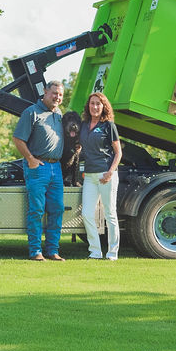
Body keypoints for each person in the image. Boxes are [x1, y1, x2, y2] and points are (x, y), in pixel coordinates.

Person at [12, 81, 66, 261]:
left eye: (60, 94)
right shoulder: (31, 112)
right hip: (38, 167)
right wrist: (30, 159)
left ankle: (53, 250)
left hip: (56, 168)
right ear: (45, 92)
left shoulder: (59, 114)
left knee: (57, 209)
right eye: (54, 93)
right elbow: (18, 138)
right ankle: (35, 251)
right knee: (36, 210)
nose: (57, 97)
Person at [79, 92, 122, 260]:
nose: (95, 107)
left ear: (104, 106)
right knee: (87, 214)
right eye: (92, 104)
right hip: (89, 175)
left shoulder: (109, 126)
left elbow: (118, 153)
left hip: (106, 174)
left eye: (98, 104)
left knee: (110, 214)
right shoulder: (84, 125)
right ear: (88, 106)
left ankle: (112, 253)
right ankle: (95, 252)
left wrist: (110, 172)